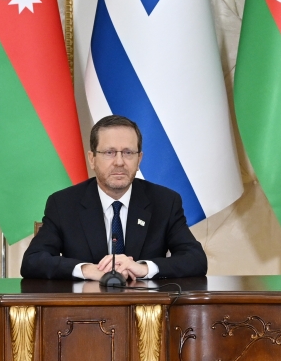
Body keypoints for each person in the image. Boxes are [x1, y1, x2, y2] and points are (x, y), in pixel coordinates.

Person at [21, 115, 207, 280]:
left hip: (146, 304)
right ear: (92, 159)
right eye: (109, 152)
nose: (119, 162)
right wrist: (87, 270)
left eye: (128, 153)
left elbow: (196, 259)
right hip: (85, 305)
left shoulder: (165, 202)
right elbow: (32, 261)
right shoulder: (63, 204)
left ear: (139, 159)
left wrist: (143, 268)